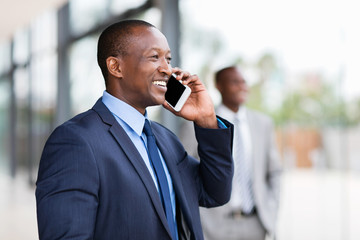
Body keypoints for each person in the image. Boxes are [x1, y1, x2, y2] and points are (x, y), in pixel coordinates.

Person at [35, 20, 234, 240]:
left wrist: (206, 120)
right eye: (154, 57)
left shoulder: (165, 139)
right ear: (116, 67)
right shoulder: (75, 141)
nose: (167, 69)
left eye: (168, 59)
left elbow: (215, 193)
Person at [180, 66, 282, 240]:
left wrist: (270, 210)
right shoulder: (196, 123)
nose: (242, 87)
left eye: (244, 82)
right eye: (235, 82)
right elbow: (182, 173)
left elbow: (274, 172)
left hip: (256, 224)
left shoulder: (263, 123)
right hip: (212, 226)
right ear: (219, 86)